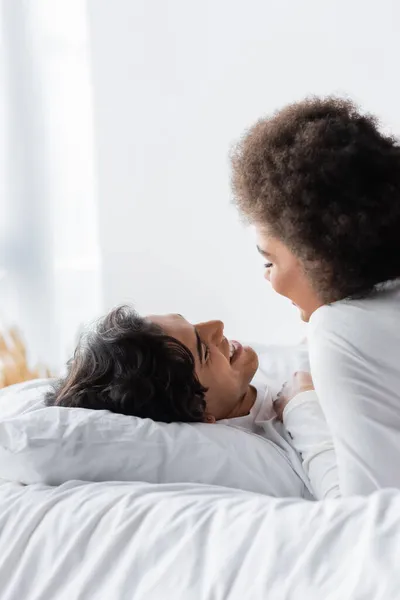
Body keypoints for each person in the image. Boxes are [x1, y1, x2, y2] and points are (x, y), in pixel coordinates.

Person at [231, 96, 400, 496]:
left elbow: (368, 517)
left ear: (317, 254)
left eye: (269, 259)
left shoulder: (340, 330)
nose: (268, 280)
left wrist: (302, 408)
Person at [46, 305, 339, 500]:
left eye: (193, 325)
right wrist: (302, 405)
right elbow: (351, 507)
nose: (218, 325)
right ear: (200, 411)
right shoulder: (262, 450)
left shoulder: (247, 368)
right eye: (204, 351)